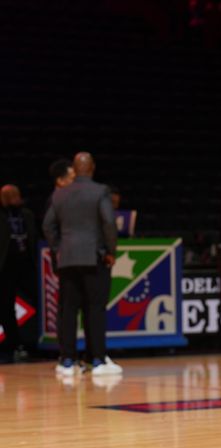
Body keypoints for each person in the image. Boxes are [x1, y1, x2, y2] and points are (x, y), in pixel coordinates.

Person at [43, 152, 122, 376]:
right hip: (93, 257)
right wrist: (110, 251)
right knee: (95, 308)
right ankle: (97, 360)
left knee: (68, 309)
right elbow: (108, 222)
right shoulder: (100, 191)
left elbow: (48, 226)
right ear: (93, 167)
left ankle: (67, 360)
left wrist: (59, 248)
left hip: (67, 259)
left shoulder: (59, 194)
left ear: (75, 170)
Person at [0, 184, 37, 361]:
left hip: (27, 264)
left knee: (38, 300)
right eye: (8, 196)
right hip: (6, 266)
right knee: (6, 306)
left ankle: (37, 341)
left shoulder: (27, 215)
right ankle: (14, 344)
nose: (13, 198)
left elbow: (34, 238)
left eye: (15, 194)